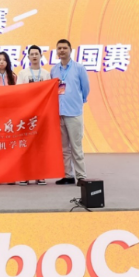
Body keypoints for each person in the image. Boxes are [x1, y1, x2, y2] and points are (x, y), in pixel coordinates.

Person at [50, 39, 90, 186]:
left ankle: (81, 176)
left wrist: (79, 101)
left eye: (64, 48)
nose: (62, 50)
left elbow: (86, 88)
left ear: (70, 50)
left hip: (74, 112)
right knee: (64, 148)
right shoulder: (54, 70)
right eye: (59, 48)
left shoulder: (79, 68)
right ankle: (68, 175)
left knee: (76, 147)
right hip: (59, 113)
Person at [17, 45, 51, 186]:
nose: (35, 56)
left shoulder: (46, 74)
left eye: (37, 54)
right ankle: (25, 174)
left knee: (40, 145)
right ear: (28, 57)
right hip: (26, 113)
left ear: (41, 56)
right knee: (25, 144)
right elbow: (18, 92)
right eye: (32, 54)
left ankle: (40, 174)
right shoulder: (23, 73)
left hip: (42, 114)